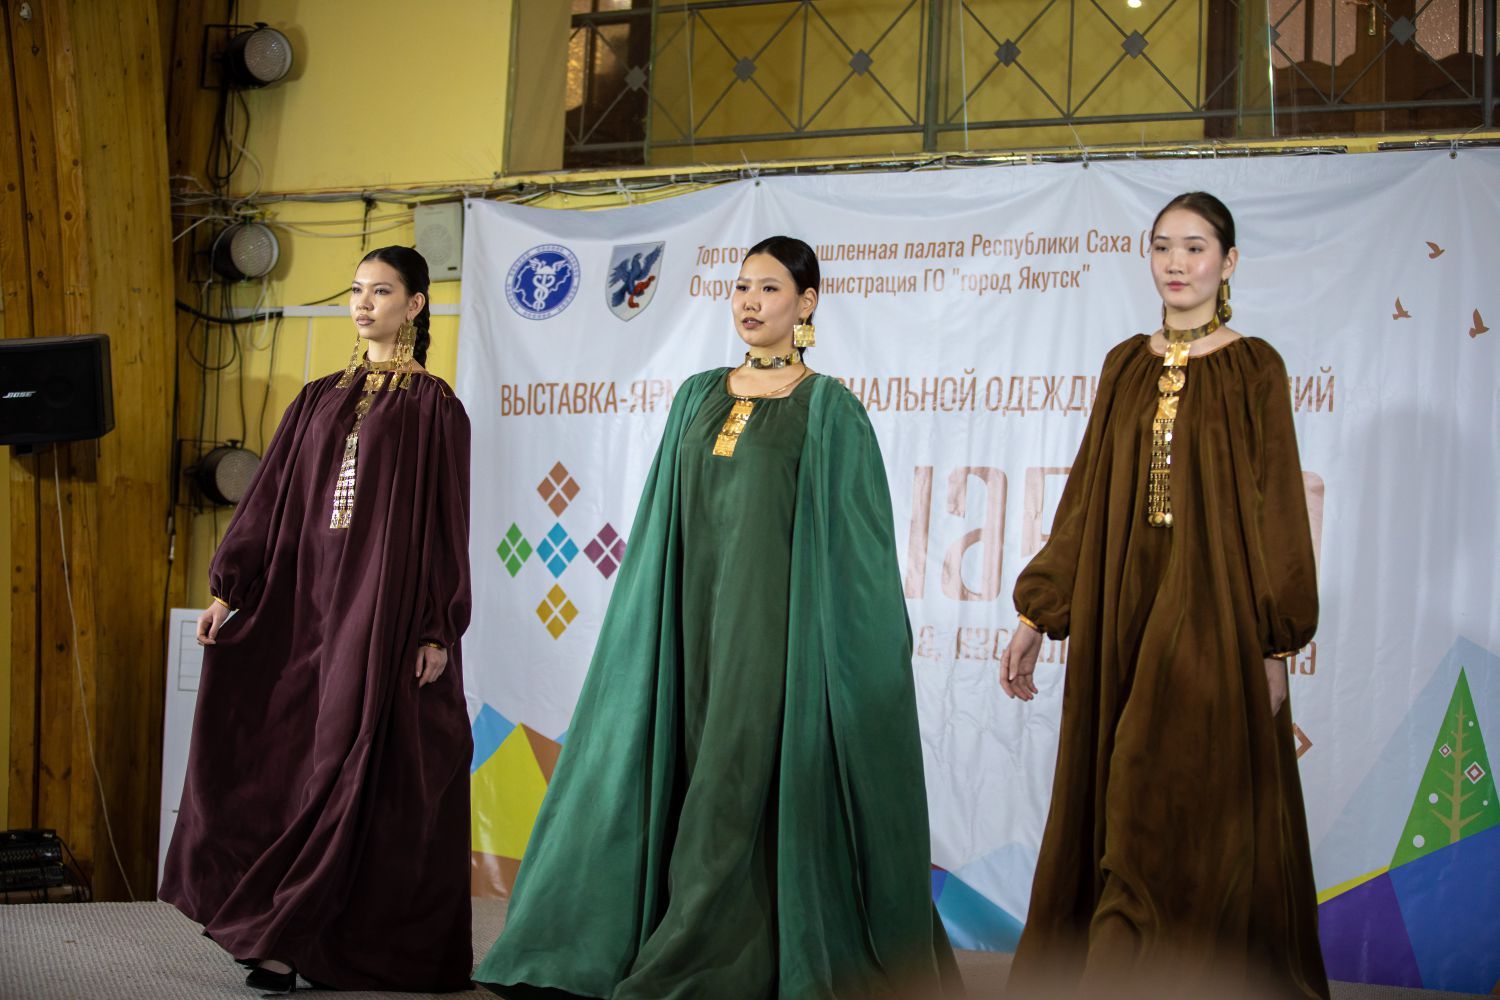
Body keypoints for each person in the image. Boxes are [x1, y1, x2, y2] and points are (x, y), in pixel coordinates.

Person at [475, 236, 962, 999]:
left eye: (769, 289)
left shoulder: (828, 410)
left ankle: (717, 947)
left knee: (738, 777)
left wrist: (855, 656)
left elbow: (859, 550)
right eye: (741, 287)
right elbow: (661, 524)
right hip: (687, 630)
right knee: (675, 765)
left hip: (771, 638)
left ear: (806, 303)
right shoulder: (697, 397)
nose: (750, 302)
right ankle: (629, 936)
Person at [998, 193, 1328, 998]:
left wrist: (1275, 643)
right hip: (1121, 609)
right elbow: (1086, 495)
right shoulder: (1125, 364)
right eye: (1162, 247)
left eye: (1196, 247)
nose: (1177, 263)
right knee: (1120, 789)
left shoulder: (1255, 367)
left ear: (1229, 261)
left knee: (1178, 795)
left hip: (1215, 617)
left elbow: (1278, 508)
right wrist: (1040, 611)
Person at [160, 246, 474, 994]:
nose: (363, 303)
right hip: (303, 605)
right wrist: (229, 591)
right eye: (357, 290)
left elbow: (446, 523)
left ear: (416, 304)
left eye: (382, 291)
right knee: (285, 754)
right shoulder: (316, 398)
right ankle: (274, 920)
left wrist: (437, 626)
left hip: (381, 610)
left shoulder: (435, 408)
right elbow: (268, 500)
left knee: (354, 761)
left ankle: (287, 937)